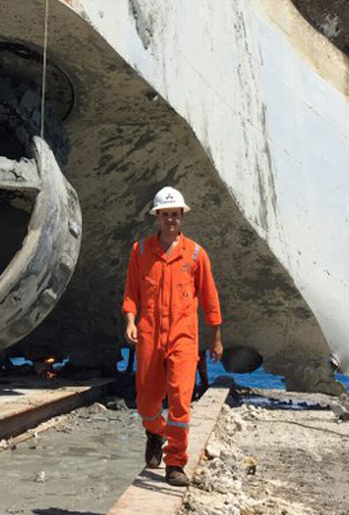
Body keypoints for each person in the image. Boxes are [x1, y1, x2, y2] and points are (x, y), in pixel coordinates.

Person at [122, 186, 223, 486]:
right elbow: (131, 292)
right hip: (149, 336)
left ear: (182, 216)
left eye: (175, 215)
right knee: (146, 403)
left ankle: (175, 462)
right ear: (157, 217)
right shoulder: (140, 252)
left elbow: (210, 299)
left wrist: (216, 338)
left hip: (183, 337)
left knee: (180, 400)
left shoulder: (195, 254)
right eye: (165, 215)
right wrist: (130, 320)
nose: (170, 220)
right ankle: (155, 432)